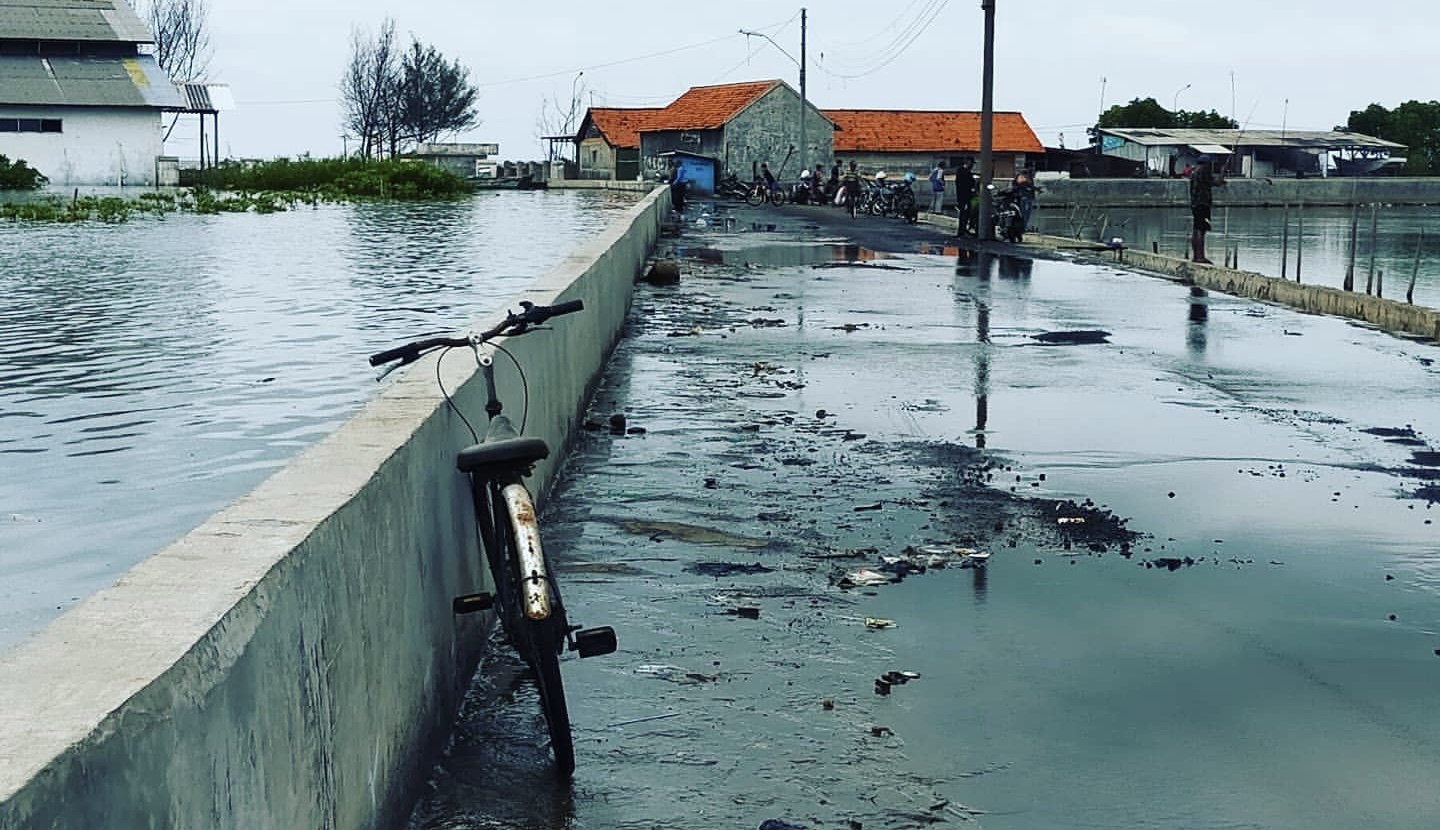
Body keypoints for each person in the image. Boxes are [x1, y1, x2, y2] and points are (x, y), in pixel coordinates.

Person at [1189, 154, 1224, 264]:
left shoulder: (1194, 172)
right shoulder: (1203, 171)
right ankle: (1200, 257)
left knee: (1196, 229)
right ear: (1207, 164)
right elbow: (1216, 182)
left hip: (1195, 203)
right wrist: (1222, 172)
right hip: (1203, 203)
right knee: (1201, 229)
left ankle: (1196, 256)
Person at [953, 158, 975, 236]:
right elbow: (965, 184)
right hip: (964, 196)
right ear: (968, 162)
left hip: (965, 196)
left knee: (966, 214)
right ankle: (961, 231)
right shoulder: (963, 171)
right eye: (972, 163)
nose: (972, 165)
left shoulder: (963, 171)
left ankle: (963, 229)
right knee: (964, 214)